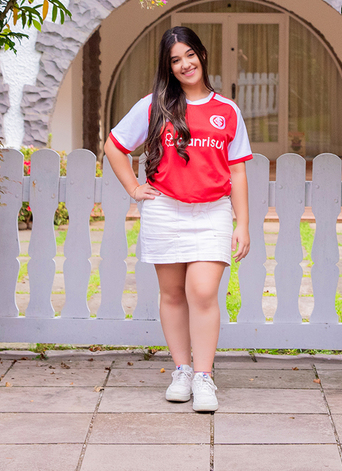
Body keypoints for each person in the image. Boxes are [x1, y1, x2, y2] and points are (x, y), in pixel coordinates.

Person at [103, 25, 252, 413]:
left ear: (201, 54)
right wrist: (136, 189)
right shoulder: (154, 106)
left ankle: (204, 377)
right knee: (171, 294)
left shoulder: (227, 110)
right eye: (175, 60)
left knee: (202, 292)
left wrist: (243, 223)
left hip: (212, 212)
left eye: (189, 55)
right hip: (165, 209)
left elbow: (237, 172)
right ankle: (182, 370)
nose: (185, 64)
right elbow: (114, 147)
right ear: (168, 67)